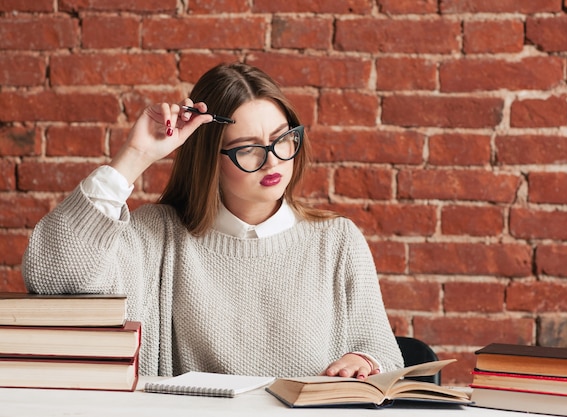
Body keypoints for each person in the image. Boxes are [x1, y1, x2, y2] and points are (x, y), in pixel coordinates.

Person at [22, 62, 404, 379]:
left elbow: (381, 350)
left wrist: (364, 362)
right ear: (210, 161)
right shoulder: (158, 235)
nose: (273, 160)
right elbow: (54, 274)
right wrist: (135, 155)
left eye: (282, 138)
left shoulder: (336, 240)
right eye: (248, 149)